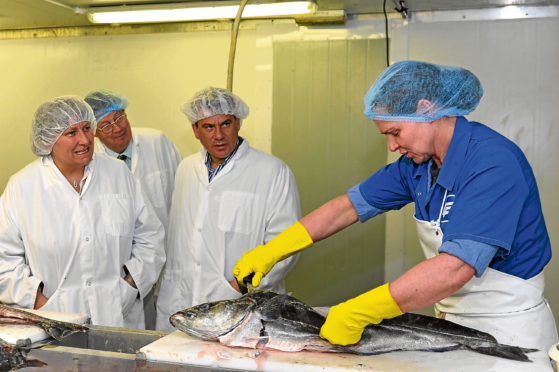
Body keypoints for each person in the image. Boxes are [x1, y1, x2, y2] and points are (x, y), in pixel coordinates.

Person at [234, 61, 558, 361]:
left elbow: (454, 269)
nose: (391, 146)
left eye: (395, 132)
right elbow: (347, 207)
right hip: (450, 325)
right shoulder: (415, 166)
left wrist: (362, 310)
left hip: (511, 333)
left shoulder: (492, 162)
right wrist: (272, 250)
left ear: (426, 110)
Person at [0, 95, 165, 329]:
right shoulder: (23, 186)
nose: (85, 139)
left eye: (87, 128)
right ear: (49, 141)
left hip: (118, 315)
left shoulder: (118, 173)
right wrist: (39, 301)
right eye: (71, 133)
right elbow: (4, 258)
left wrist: (131, 286)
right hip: (53, 321)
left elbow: (151, 237)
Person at [155, 87, 301, 332]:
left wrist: (238, 288)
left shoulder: (272, 172)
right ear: (195, 130)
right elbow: (179, 238)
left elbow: (286, 245)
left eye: (226, 124)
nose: (219, 135)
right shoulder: (186, 169)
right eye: (208, 127)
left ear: (238, 123)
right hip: (181, 301)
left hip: (240, 306)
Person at [85, 89, 182, 330]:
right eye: (105, 125)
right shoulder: (90, 163)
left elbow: (182, 194)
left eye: (119, 118)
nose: (117, 128)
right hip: (121, 271)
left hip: (165, 261)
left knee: (166, 334)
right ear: (95, 132)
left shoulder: (157, 142)